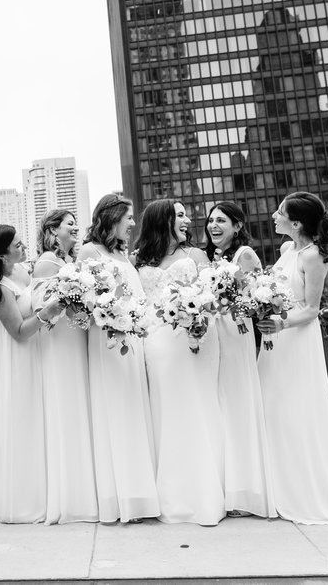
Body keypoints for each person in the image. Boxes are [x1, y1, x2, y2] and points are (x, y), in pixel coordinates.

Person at [257, 192, 328, 524]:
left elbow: (311, 309)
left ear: (296, 223)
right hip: (274, 338)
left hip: (296, 339)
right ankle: (274, 487)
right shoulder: (287, 250)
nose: (274, 216)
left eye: (280, 213)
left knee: (295, 411)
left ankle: (301, 492)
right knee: (270, 407)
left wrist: (280, 321)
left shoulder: (314, 256)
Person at [136, 199, 225, 525]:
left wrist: (198, 318)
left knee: (197, 406)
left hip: (192, 337)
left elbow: (210, 295)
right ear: (164, 220)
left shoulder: (197, 256)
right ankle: (171, 492)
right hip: (155, 341)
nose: (188, 220)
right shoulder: (141, 259)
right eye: (181, 215)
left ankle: (204, 491)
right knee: (166, 410)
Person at [77, 194, 160, 523]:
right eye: (127, 217)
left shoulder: (123, 253)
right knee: (115, 410)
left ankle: (140, 492)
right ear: (112, 218)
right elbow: (86, 298)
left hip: (134, 338)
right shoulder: (89, 252)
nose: (132, 223)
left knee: (135, 408)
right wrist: (112, 316)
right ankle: (118, 496)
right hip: (107, 341)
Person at [0, 224, 64, 523]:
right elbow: (18, 332)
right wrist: (48, 313)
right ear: (1, 255)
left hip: (34, 353)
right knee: (21, 420)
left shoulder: (23, 271)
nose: (23, 246)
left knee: (38, 419)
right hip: (15, 358)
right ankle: (23, 500)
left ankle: (44, 490)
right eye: (16, 245)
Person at [203, 202, 275, 519]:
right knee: (221, 410)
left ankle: (245, 493)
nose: (214, 226)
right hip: (217, 338)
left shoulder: (244, 254)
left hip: (238, 335)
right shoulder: (209, 259)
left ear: (237, 225)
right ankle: (225, 485)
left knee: (238, 407)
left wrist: (232, 303)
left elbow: (261, 299)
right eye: (210, 221)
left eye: (221, 220)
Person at [31, 209, 99, 524]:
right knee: (66, 408)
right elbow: (42, 310)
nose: (75, 228)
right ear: (52, 230)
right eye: (69, 224)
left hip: (77, 340)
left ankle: (85, 488)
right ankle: (69, 496)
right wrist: (68, 303)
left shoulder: (72, 264)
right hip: (60, 345)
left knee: (80, 409)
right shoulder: (46, 262)